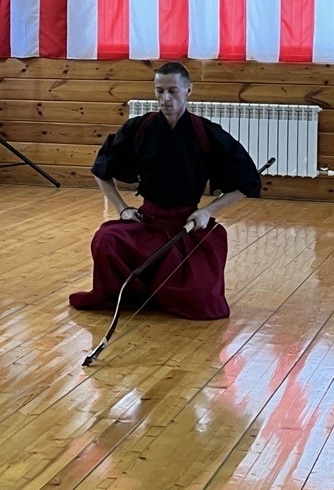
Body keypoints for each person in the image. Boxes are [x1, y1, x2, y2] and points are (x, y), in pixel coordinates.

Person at [69, 61, 261, 320]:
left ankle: (159, 293)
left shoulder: (206, 133)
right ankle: (138, 293)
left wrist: (208, 211)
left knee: (204, 302)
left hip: (188, 225)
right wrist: (122, 209)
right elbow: (100, 170)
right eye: (159, 91)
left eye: (173, 91)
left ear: (188, 90)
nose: (165, 98)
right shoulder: (138, 128)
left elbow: (247, 183)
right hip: (147, 223)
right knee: (106, 238)